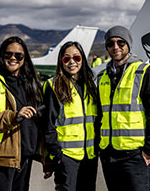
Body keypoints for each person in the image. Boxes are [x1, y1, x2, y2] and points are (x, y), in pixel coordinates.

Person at [96, 25, 150, 191]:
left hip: (134, 155)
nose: (115, 47)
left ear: (128, 45)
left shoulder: (144, 72)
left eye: (121, 42)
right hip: (109, 154)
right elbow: (99, 114)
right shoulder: (102, 76)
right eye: (110, 43)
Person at [0, 36, 44, 191]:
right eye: (8, 54)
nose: (13, 58)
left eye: (18, 55)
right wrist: (14, 115)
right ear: (1, 56)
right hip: (0, 159)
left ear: (24, 58)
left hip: (25, 156)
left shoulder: (30, 83)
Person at [43, 41, 100, 191]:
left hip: (89, 157)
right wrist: (57, 156)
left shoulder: (91, 86)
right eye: (66, 59)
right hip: (67, 158)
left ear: (82, 59)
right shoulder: (53, 86)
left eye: (76, 57)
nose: (72, 62)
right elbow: (48, 125)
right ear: (61, 61)